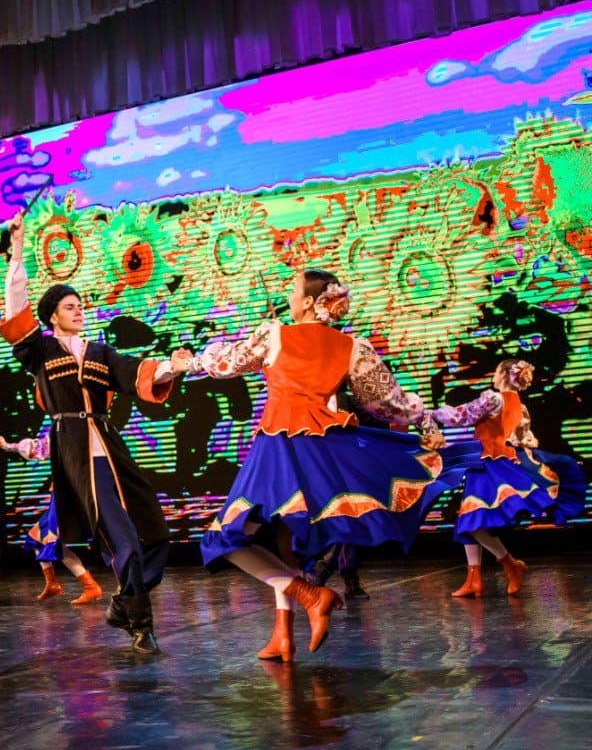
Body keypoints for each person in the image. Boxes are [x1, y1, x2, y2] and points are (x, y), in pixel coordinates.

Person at [179, 269, 443, 662]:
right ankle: (282, 635)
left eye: (293, 289)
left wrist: (189, 362)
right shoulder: (352, 347)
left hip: (278, 449)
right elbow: (387, 403)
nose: (288, 294)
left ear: (307, 302)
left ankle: (310, 595)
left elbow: (226, 364)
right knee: (284, 540)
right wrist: (426, 423)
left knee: (225, 539)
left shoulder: (274, 335)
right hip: (320, 450)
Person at [0, 212, 179, 653]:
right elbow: (16, 307)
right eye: (70, 307)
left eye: (80, 306)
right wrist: (17, 249)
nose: (79, 311)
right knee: (123, 540)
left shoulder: (100, 352)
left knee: (155, 532)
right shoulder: (39, 351)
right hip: (76, 451)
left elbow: (135, 372)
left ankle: (124, 602)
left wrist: (173, 367)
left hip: (110, 446)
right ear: (52, 317)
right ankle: (141, 626)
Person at [431, 358, 586, 597]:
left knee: (471, 521)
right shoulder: (518, 406)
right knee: (468, 521)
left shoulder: (494, 399)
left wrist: (429, 413)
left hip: (488, 463)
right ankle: (475, 579)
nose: (493, 376)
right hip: (490, 461)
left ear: (504, 374)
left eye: (496, 371)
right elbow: (522, 438)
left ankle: (509, 564)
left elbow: (461, 416)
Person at [3, 434, 104, 605]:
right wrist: (7, 445)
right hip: (58, 494)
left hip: (65, 497)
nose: (36, 457)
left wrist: (9, 446)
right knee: (35, 538)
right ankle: (53, 583)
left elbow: (43, 449)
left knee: (54, 543)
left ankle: (90, 586)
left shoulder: (62, 437)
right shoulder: (57, 438)